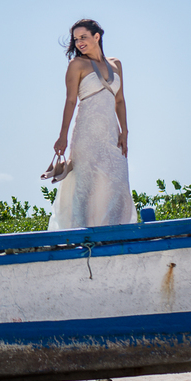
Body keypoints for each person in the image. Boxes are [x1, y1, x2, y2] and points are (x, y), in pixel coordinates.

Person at [45, 19, 136, 230]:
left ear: (97, 36)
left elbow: (120, 100)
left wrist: (124, 132)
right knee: (85, 186)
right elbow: (70, 100)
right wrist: (62, 136)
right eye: (76, 39)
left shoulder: (116, 64)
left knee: (117, 182)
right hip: (86, 134)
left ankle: (115, 232)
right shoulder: (76, 64)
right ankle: (81, 234)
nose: (79, 43)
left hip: (111, 135)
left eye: (83, 37)